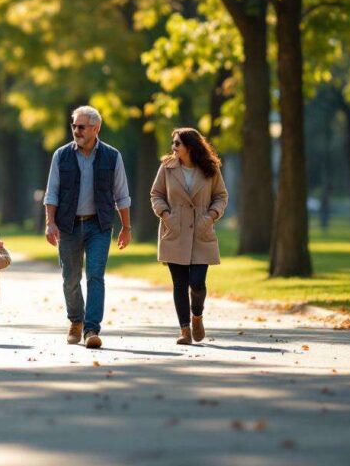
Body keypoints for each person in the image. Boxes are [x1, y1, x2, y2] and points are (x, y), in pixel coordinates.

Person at [44, 105, 132, 349]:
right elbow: (52, 192)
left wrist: (126, 228)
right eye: (74, 126)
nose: (76, 130)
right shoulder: (61, 155)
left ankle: (91, 329)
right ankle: (76, 321)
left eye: (81, 127)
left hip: (99, 225)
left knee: (95, 275)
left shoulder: (112, 156)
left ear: (96, 128)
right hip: (68, 225)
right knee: (70, 278)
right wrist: (50, 223)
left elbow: (122, 194)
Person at [149, 128, 229, 345]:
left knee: (198, 283)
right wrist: (166, 215)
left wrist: (211, 216)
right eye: (173, 143)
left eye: (177, 143)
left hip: (201, 231)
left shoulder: (210, 168)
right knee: (180, 284)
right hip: (174, 231)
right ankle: (184, 330)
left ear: (190, 147)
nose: (173, 147)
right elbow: (156, 194)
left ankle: (197, 316)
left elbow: (221, 196)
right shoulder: (167, 167)